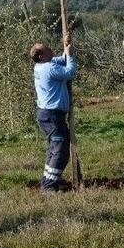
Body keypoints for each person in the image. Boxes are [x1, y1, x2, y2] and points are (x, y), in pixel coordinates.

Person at [30, 39, 77, 192]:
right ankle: (48, 187)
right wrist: (69, 56)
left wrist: (67, 47)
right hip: (52, 115)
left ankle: (49, 181)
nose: (51, 50)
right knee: (60, 151)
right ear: (41, 56)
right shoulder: (49, 68)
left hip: (48, 115)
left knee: (54, 150)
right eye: (47, 49)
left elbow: (61, 60)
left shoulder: (40, 66)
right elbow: (70, 73)